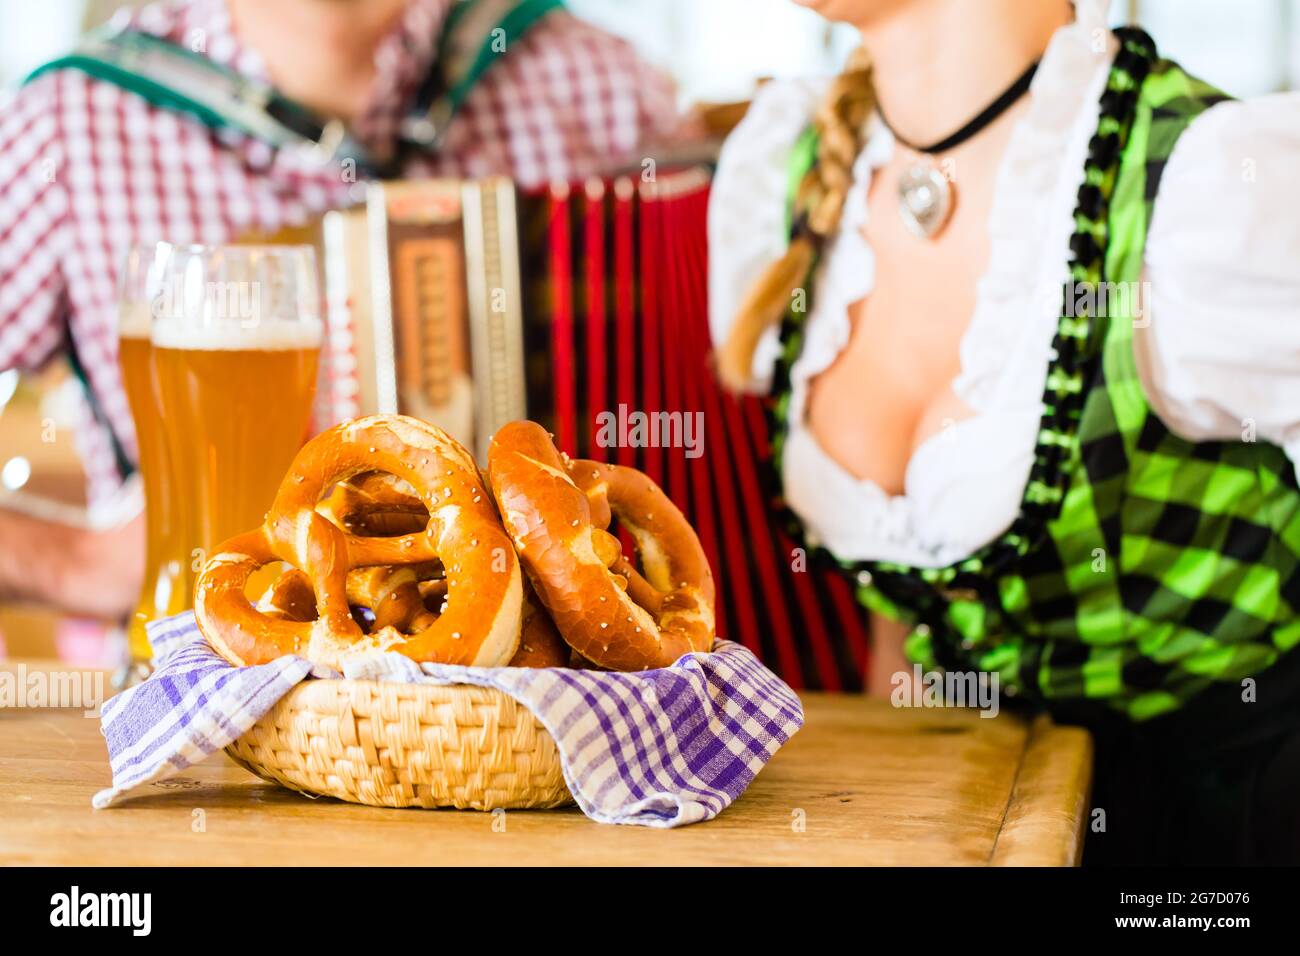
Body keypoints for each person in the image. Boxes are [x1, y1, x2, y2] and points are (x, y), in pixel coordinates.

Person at [709, 0, 1300, 864]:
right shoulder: (795, 164)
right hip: (970, 825)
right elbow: (902, 646)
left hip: (1219, 838)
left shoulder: (1204, 178)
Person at [0, 0, 678, 619]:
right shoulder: (68, 123)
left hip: (550, 713)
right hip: (203, 697)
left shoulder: (603, 85)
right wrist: (73, 560)